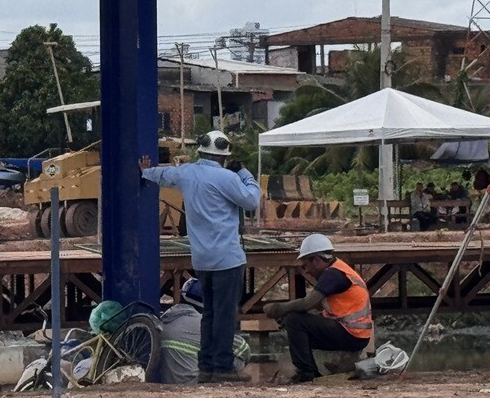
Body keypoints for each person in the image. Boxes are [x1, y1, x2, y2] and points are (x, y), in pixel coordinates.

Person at [140, 130, 261, 383]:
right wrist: (245, 174)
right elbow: (251, 201)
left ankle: (206, 367)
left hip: (202, 260)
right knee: (226, 315)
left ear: (201, 152)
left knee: (209, 314)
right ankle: (223, 368)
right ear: (224, 157)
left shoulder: (186, 173)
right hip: (227, 259)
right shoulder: (227, 177)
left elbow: (162, 175)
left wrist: (145, 170)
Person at [262, 234, 372, 384]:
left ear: (317, 260)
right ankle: (312, 371)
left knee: (294, 321)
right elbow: (325, 308)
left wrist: (278, 308)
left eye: (306, 265)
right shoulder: (339, 270)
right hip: (355, 334)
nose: (306, 271)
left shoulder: (333, 275)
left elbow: (308, 303)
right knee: (295, 324)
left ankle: (306, 373)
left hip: (352, 334)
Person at [159, 278, 250, 384]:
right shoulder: (203, 323)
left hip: (167, 383)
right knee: (229, 357)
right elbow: (244, 349)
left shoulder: (165, 318)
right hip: (194, 384)